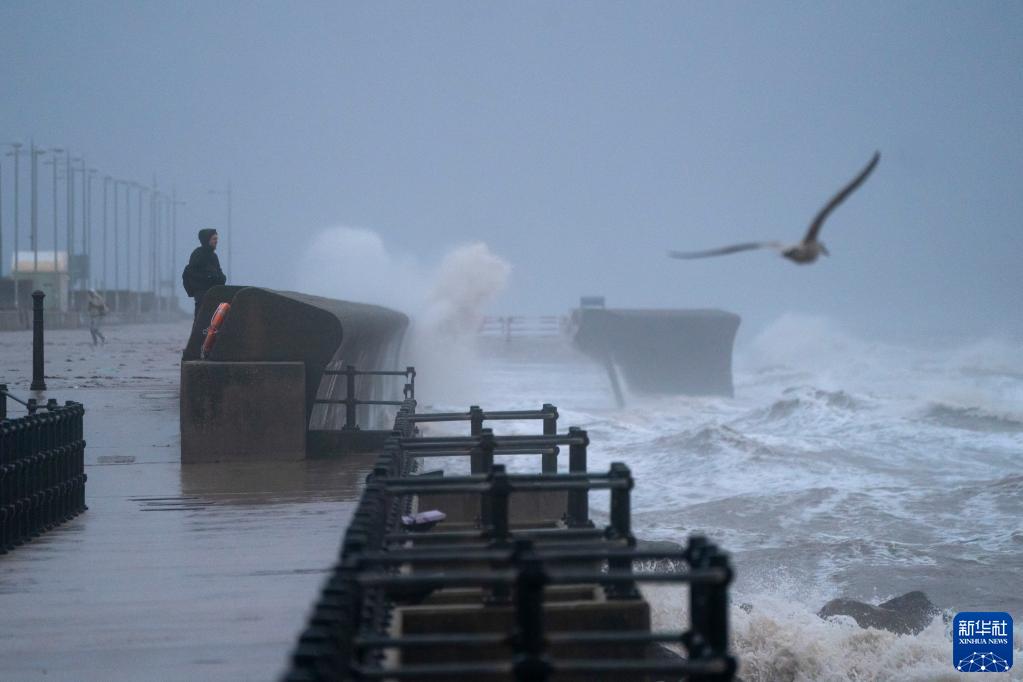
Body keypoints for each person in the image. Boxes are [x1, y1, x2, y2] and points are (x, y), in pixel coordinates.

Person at [182, 228, 227, 321]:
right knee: (201, 320)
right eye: (214, 239)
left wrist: (221, 278)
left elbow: (219, 272)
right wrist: (209, 278)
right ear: (207, 240)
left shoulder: (213, 256)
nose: (216, 241)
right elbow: (192, 274)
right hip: (202, 295)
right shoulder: (198, 254)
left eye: (216, 239)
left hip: (214, 294)